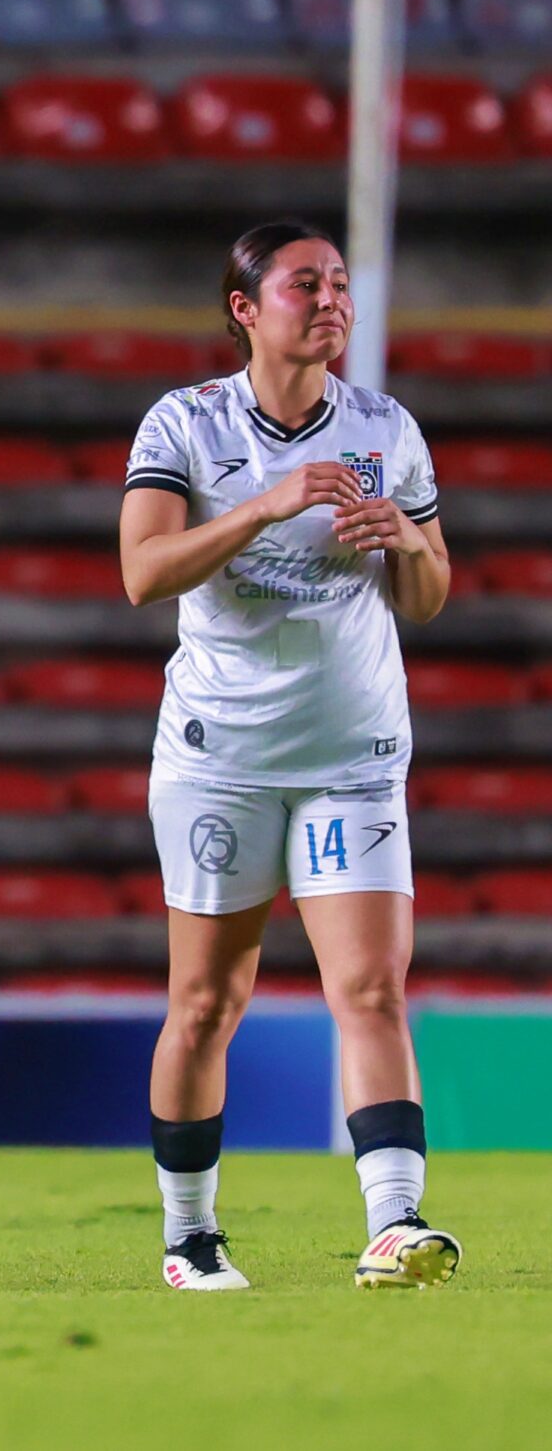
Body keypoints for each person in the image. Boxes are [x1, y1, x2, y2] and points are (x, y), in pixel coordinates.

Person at [121, 222, 455, 1291]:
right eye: (304, 283)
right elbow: (141, 571)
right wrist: (264, 504)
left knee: (370, 988)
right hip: (222, 756)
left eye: (340, 284)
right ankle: (188, 1234)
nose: (330, 301)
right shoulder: (187, 424)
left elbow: (430, 593)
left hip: (352, 752)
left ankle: (393, 1224)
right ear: (243, 307)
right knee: (207, 1003)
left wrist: (405, 543)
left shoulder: (385, 428)